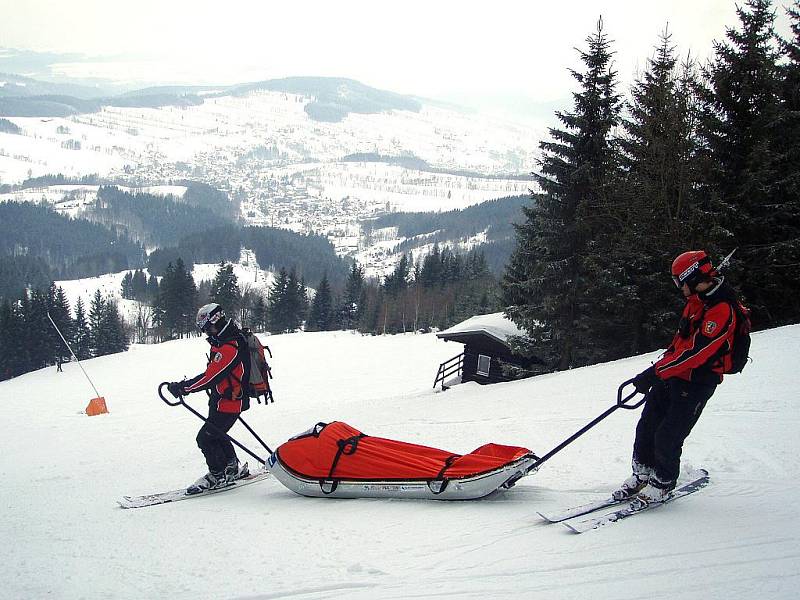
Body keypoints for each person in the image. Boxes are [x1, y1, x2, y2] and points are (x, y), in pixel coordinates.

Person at [614, 250, 743, 504]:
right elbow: (679, 345)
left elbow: (697, 353)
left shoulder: (722, 310)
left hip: (697, 382)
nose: (678, 286)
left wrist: (656, 372)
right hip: (673, 375)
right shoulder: (696, 301)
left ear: (692, 277)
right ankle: (642, 473)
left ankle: (662, 481)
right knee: (647, 425)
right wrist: (657, 370)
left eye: (678, 280)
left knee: (668, 434)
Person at [167, 303, 251, 494]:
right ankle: (230, 468)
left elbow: (211, 376)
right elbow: (213, 375)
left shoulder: (230, 346)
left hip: (230, 402)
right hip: (221, 400)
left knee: (205, 438)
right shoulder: (223, 341)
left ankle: (217, 474)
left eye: (207, 328)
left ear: (216, 322)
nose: (206, 333)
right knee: (217, 433)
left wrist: (183, 388)